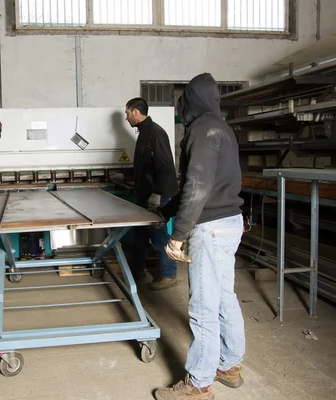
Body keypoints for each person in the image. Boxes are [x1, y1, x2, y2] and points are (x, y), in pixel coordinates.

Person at [154, 73, 246, 400]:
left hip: (210, 229)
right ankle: (229, 364)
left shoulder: (203, 131)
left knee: (204, 304)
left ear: (192, 99)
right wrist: (166, 211)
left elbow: (199, 186)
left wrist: (177, 235)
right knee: (224, 296)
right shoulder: (221, 128)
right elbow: (206, 185)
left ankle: (198, 383)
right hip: (230, 222)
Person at [125, 97, 179, 291]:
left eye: (127, 113)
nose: (126, 117)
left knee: (158, 234)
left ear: (136, 112)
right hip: (145, 193)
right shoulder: (144, 132)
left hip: (157, 194)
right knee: (139, 232)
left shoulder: (155, 133)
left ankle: (169, 274)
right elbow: (146, 165)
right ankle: (137, 269)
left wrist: (157, 195)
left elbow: (165, 168)